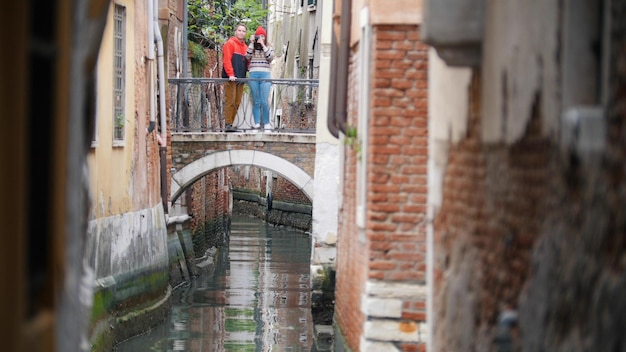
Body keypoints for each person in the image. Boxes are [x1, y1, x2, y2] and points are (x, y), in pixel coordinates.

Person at [246, 26, 275, 131]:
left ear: (265, 37)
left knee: (264, 101)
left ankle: (267, 123)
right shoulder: (252, 47)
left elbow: (270, 58)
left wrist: (263, 45)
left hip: (265, 74)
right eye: (259, 36)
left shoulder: (269, 47)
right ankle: (257, 122)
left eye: (263, 36)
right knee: (256, 101)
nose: (260, 38)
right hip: (253, 74)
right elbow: (247, 57)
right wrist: (251, 43)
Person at [222, 23, 249, 131]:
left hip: (241, 78)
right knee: (231, 101)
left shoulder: (246, 47)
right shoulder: (230, 44)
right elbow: (227, 60)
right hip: (231, 78)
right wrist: (230, 74)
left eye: (243, 31)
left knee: (237, 102)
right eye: (239, 30)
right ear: (235, 32)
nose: (241, 32)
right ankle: (228, 124)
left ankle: (231, 124)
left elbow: (247, 63)